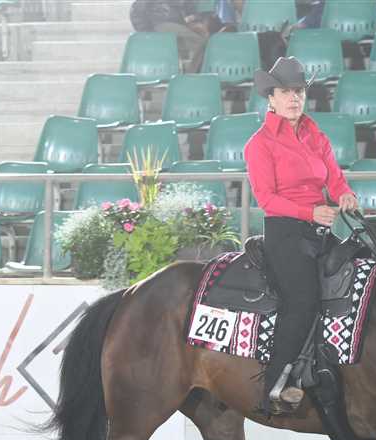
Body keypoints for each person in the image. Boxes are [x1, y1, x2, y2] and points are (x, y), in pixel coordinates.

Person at [243, 57, 358, 415]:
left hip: (318, 228)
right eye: (285, 92)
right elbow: (267, 199)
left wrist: (344, 194)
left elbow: (334, 177)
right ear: (271, 98)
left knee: (361, 274)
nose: (294, 98)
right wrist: (310, 212)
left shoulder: (314, 134)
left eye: (298, 91)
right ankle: (273, 387)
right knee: (303, 300)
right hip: (286, 232)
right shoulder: (259, 144)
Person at [129, 0, 220, 73]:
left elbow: (189, 9)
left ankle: (190, 71)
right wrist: (148, 31)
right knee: (198, 42)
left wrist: (193, 21)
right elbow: (137, 10)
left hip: (178, 24)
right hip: (161, 23)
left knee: (203, 40)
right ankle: (190, 74)